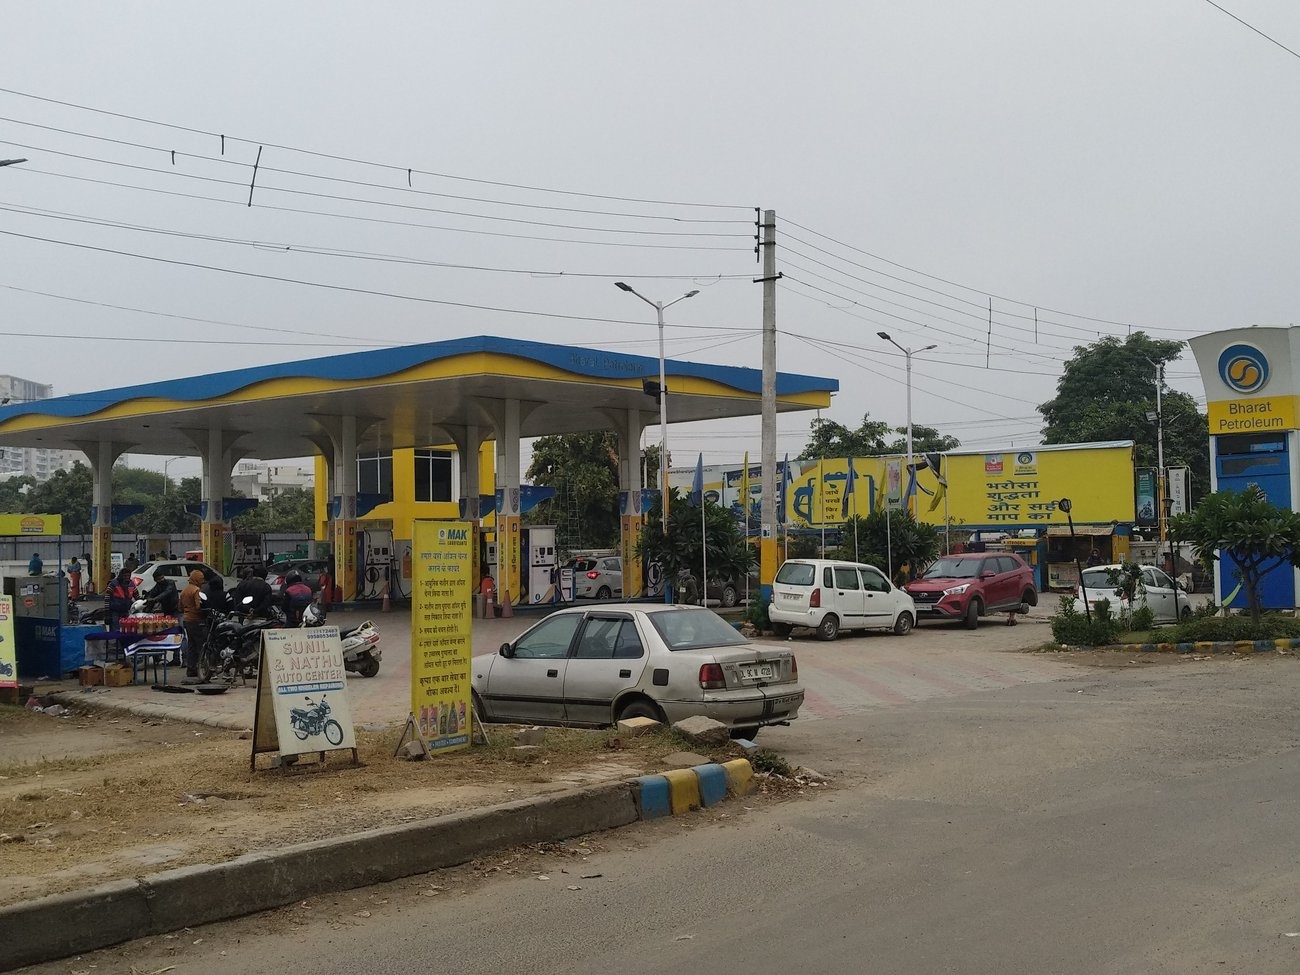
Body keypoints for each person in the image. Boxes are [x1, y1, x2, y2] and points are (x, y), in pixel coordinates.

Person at [180, 569, 206, 680]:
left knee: (191, 644)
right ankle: (202, 668)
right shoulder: (196, 590)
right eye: (201, 579)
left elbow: (180, 607)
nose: (203, 581)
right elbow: (198, 606)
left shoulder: (184, 591)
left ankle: (191, 669)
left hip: (186, 620)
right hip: (196, 620)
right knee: (200, 645)